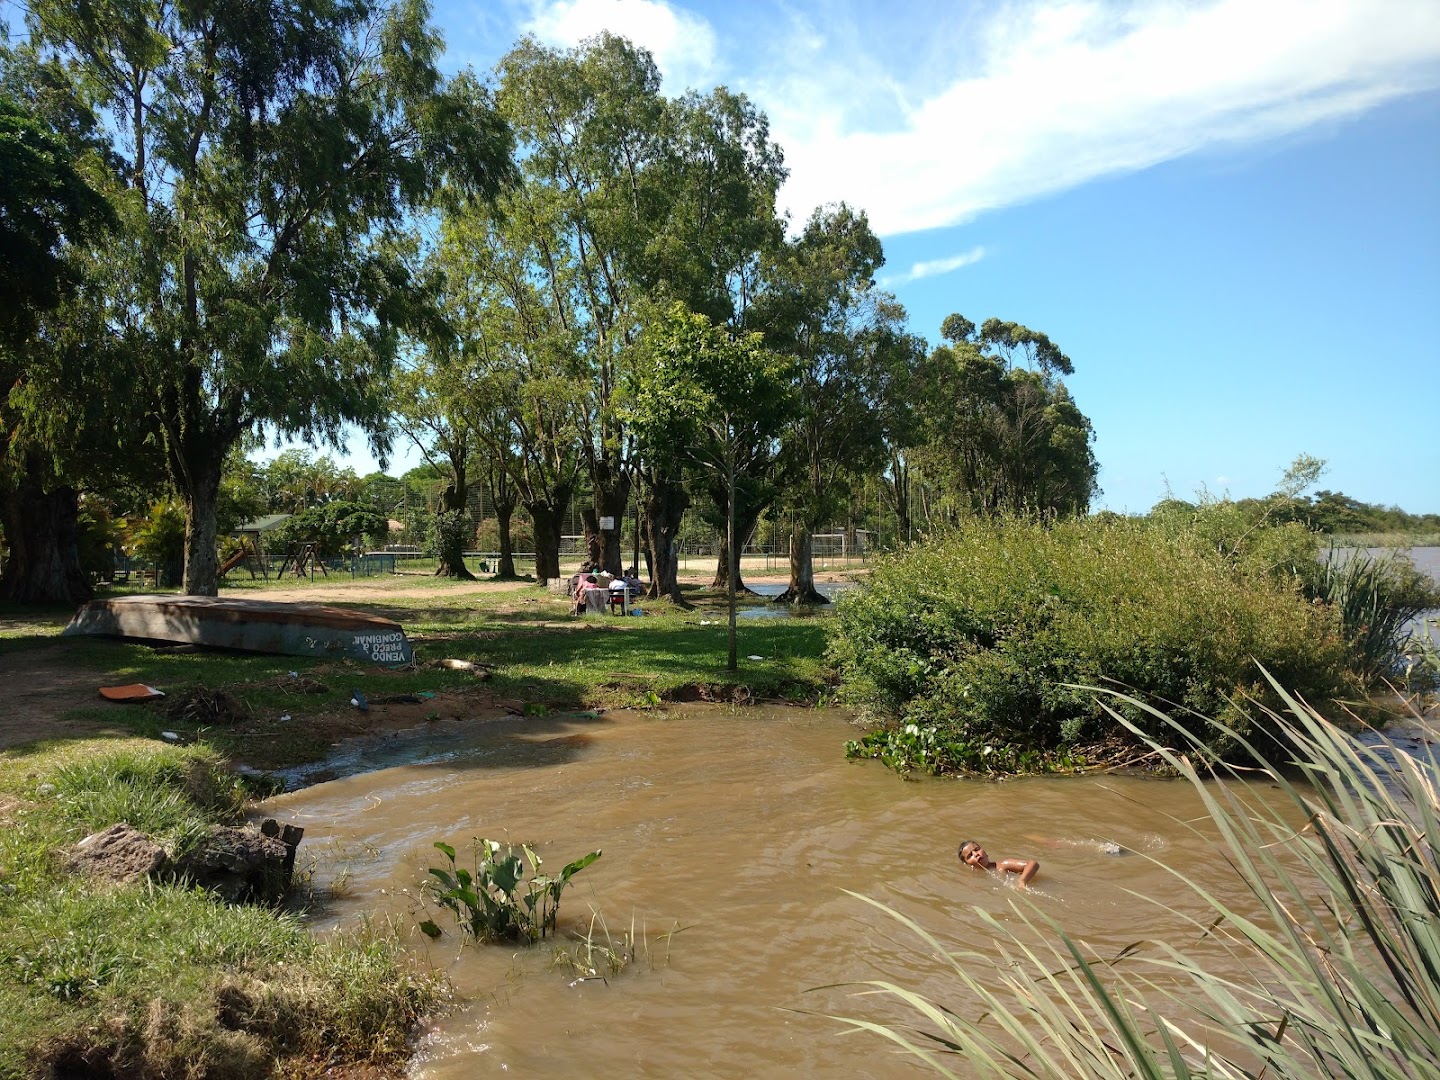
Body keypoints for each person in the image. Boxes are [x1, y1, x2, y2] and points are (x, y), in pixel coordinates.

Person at [958, 840, 1039, 886]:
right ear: (967, 864)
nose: (976, 854)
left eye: (977, 849)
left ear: (985, 852)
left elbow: (1032, 863)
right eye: (970, 855)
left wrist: (1022, 881)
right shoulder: (971, 881)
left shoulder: (1002, 865)